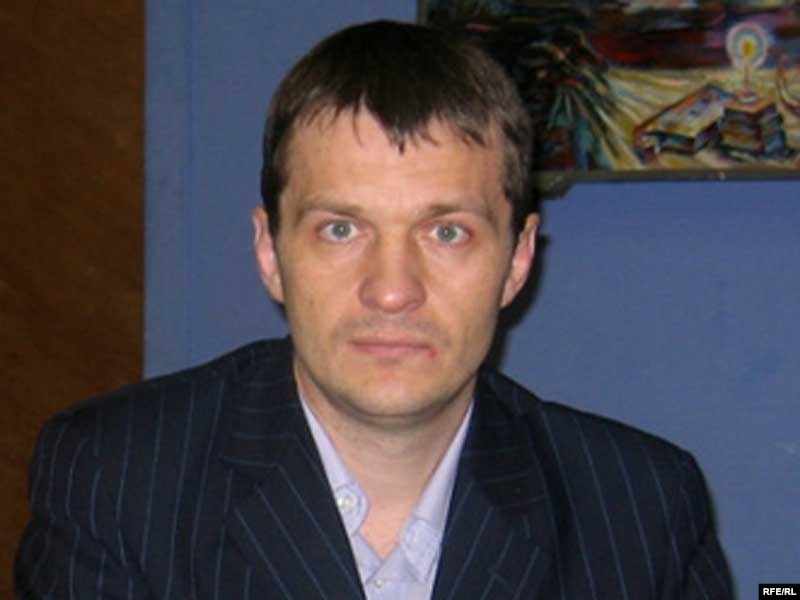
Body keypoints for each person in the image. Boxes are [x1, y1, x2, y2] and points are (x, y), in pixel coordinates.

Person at [16, 20, 732, 600]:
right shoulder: (117, 482)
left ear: (517, 260)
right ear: (270, 253)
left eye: (446, 232)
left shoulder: (640, 511)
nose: (392, 290)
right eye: (341, 229)